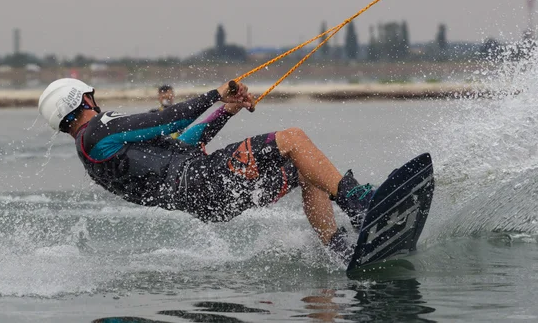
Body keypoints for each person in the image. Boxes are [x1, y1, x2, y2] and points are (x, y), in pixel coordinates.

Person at [38, 78, 374, 264]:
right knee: (295, 139)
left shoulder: (91, 152)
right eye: (90, 96)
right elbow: (170, 119)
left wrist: (226, 110)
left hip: (208, 204)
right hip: (208, 178)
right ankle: (358, 203)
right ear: (81, 101)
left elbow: (180, 144)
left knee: (307, 169)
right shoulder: (99, 130)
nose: (96, 101)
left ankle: (339, 247)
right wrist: (216, 94)